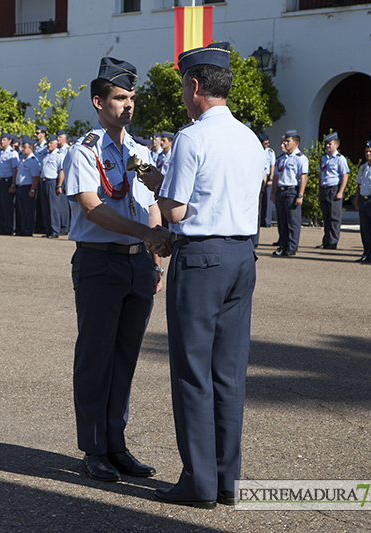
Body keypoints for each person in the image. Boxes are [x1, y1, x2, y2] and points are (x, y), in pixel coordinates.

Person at [145, 41, 261, 510]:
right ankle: (227, 479)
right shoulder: (251, 137)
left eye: (182, 85)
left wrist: (159, 184)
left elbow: (173, 210)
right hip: (242, 256)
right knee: (229, 374)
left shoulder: (192, 137)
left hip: (202, 259)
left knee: (193, 374)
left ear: (195, 86)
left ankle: (199, 482)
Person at [63, 56, 167, 484]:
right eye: (120, 97)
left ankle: (116, 444)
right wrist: (148, 233)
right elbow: (94, 209)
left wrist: (155, 257)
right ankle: (93, 449)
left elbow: (158, 197)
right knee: (96, 357)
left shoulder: (139, 151)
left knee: (124, 359)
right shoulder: (83, 150)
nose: (128, 105)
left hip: (138, 264)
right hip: (100, 263)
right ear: (98, 101)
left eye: (132, 98)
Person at [270, 130, 308, 257]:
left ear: (296, 143)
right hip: (281, 191)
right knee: (282, 221)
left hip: (292, 191)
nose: (285, 143)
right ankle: (282, 245)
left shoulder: (300, 158)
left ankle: (291, 247)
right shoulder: (281, 158)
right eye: (284, 141)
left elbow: (303, 177)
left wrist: (300, 195)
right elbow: (276, 177)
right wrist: (273, 193)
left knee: (293, 221)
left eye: (288, 141)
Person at [316, 132, 349, 249]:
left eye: (330, 144)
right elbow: (320, 175)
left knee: (334, 217)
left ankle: (333, 241)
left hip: (334, 188)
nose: (327, 146)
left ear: (336, 145)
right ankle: (326, 241)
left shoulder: (340, 159)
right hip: (325, 188)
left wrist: (340, 192)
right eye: (326, 144)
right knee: (326, 216)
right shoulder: (324, 158)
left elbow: (345, 175)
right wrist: (319, 191)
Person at [0, 133, 19, 235]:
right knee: (0, 206)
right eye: (1, 139)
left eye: (4, 140)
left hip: (7, 181)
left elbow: (15, 170)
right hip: (0, 181)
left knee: (7, 206)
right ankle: (2, 227)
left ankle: (9, 228)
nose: (2, 141)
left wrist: (13, 185)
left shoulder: (12, 153)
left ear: (9, 141)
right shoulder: (0, 153)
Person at [39, 134, 62, 238]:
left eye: (51, 143)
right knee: (45, 207)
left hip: (52, 182)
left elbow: (61, 171)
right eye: (48, 143)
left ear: (56, 144)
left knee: (53, 207)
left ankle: (55, 230)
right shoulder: (46, 155)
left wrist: (59, 185)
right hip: (44, 182)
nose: (49, 145)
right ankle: (48, 229)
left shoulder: (59, 155)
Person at [259, 133, 275, 228]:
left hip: (268, 176)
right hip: (259, 177)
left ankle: (267, 220)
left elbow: (272, 165)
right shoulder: (257, 150)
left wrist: (271, 178)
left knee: (267, 200)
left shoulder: (270, 152)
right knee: (259, 200)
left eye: (268, 143)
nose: (267, 145)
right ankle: (260, 220)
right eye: (265, 143)